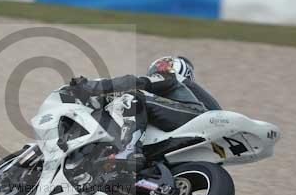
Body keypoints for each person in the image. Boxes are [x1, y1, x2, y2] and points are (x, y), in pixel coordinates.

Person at [68, 56, 221, 166]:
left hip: (191, 116)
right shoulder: (173, 96)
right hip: (187, 130)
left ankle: (130, 150)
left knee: (132, 97)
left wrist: (90, 87)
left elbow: (133, 82)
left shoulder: (170, 77)